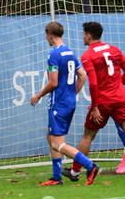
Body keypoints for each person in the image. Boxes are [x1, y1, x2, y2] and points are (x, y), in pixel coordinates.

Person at [30, 21, 100, 186]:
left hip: (59, 104)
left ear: (50, 35)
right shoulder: (69, 52)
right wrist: (72, 93)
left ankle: (91, 166)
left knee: (57, 143)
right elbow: (82, 75)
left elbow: (53, 83)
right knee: (51, 137)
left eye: (46, 36)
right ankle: (56, 177)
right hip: (69, 102)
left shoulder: (53, 54)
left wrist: (39, 94)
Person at [63, 22, 125, 180]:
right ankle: (75, 171)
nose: (83, 37)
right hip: (120, 99)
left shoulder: (88, 55)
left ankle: (75, 172)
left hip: (102, 102)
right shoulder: (114, 50)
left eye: (84, 34)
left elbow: (94, 83)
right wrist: (119, 84)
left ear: (89, 35)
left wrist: (96, 106)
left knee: (88, 136)